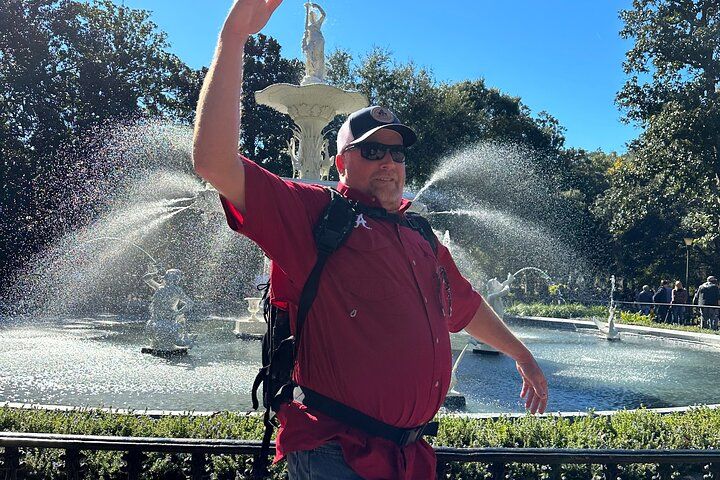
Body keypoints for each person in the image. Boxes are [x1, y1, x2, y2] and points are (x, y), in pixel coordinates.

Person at [192, 2, 548, 479]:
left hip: (410, 457)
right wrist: (233, 36)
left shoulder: (420, 235)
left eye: (396, 153)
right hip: (337, 454)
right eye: (372, 150)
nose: (389, 162)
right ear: (341, 163)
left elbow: (464, 308)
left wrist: (521, 353)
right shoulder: (314, 213)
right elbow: (215, 162)